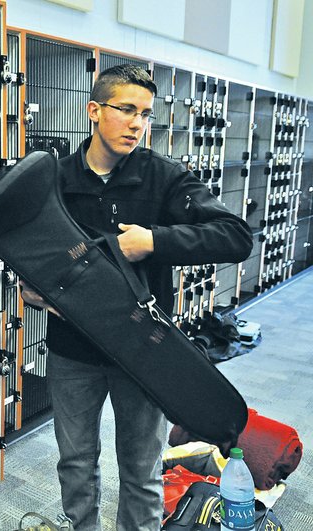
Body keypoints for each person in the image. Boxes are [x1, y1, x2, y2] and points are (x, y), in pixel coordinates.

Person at [20, 65, 252, 531]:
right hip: (73, 350)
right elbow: (25, 247)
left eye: (145, 114)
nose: (137, 123)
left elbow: (235, 236)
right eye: (126, 109)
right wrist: (29, 290)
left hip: (144, 353)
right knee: (76, 465)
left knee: (142, 471)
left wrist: (154, 241)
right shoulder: (55, 178)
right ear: (94, 110)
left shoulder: (163, 177)